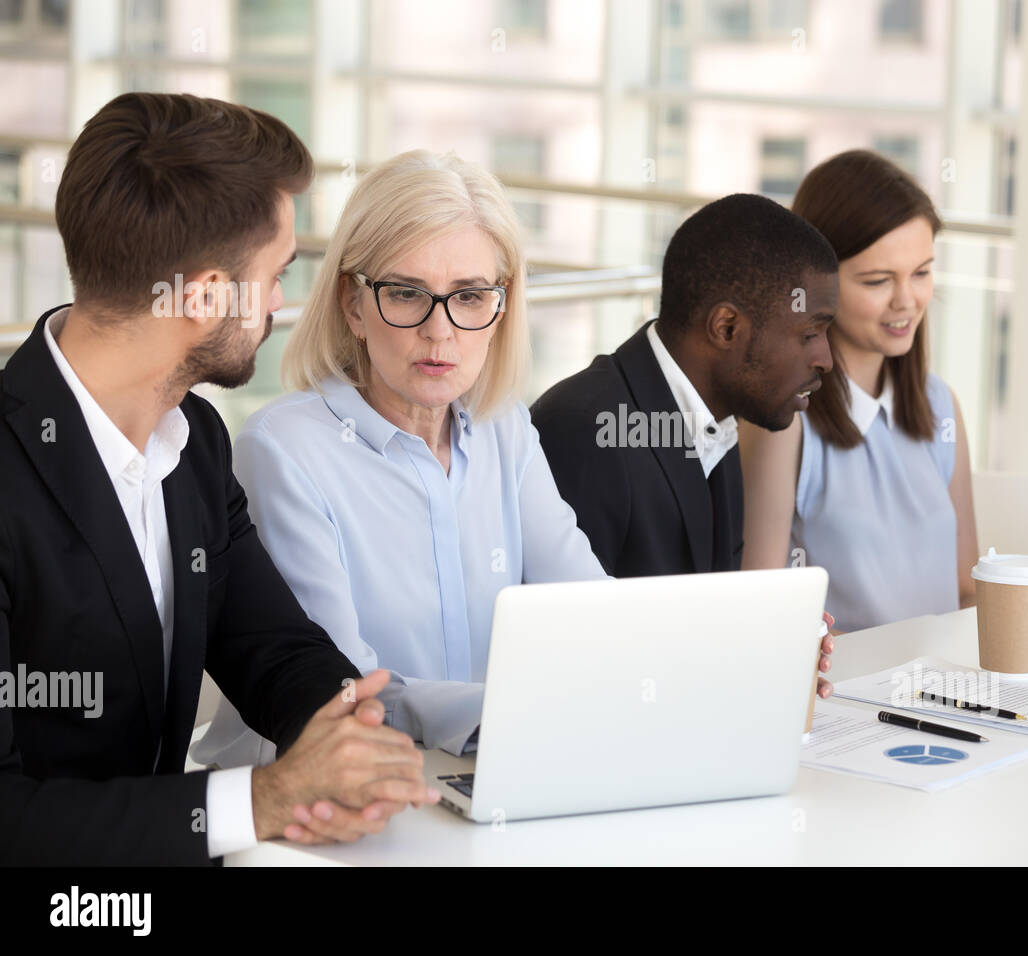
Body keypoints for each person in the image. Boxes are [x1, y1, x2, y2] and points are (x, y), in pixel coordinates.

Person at [0, 93, 438, 865]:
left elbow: (272, 646)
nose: (279, 303)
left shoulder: (193, 438)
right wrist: (264, 801)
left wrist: (348, 737)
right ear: (204, 297)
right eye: (274, 275)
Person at [191, 150, 609, 768]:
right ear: (354, 305)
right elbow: (340, 690)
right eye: (408, 294)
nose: (440, 332)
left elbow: (592, 614)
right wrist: (493, 714)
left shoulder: (506, 429)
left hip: (480, 770)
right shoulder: (284, 448)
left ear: (501, 307)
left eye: (469, 296)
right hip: (315, 800)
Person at [531, 194, 840, 579]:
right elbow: (563, 630)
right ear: (726, 327)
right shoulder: (586, 430)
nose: (825, 359)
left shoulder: (718, 421)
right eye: (810, 333)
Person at [738, 150, 978, 633]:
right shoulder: (784, 420)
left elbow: (967, 587)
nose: (906, 301)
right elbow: (761, 604)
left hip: (942, 691)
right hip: (847, 694)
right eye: (877, 280)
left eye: (922, 272)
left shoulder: (939, 405)